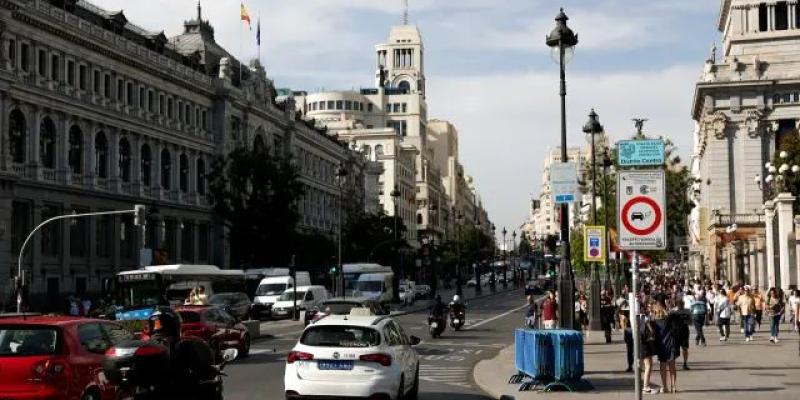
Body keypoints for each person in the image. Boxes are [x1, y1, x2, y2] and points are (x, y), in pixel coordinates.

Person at [653, 303, 678, 394]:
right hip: (670, 344)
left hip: (661, 345)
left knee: (663, 367)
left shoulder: (654, 322)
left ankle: (664, 386)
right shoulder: (668, 320)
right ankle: (673, 386)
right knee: (672, 366)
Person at [640, 304, 659, 395]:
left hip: (640, 343)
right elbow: (651, 330)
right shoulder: (644, 318)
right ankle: (645, 387)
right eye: (644, 308)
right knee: (648, 365)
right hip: (645, 344)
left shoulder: (636, 318)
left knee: (645, 365)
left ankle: (645, 386)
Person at [671, 299, 691, 370]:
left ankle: (685, 363)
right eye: (680, 304)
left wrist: (686, 321)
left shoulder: (687, 311)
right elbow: (669, 322)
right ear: (677, 304)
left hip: (684, 331)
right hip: (675, 332)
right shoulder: (673, 311)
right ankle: (673, 363)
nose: (682, 305)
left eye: (683, 304)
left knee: (685, 348)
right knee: (675, 349)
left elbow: (690, 322)